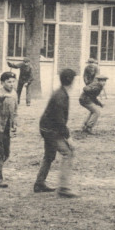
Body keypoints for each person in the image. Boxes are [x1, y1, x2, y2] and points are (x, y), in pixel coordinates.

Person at [35, 68, 77, 197]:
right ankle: (64, 188)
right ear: (70, 81)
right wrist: (68, 138)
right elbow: (59, 120)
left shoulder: (60, 93)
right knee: (68, 153)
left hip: (48, 128)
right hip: (51, 130)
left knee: (49, 156)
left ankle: (39, 183)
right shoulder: (61, 96)